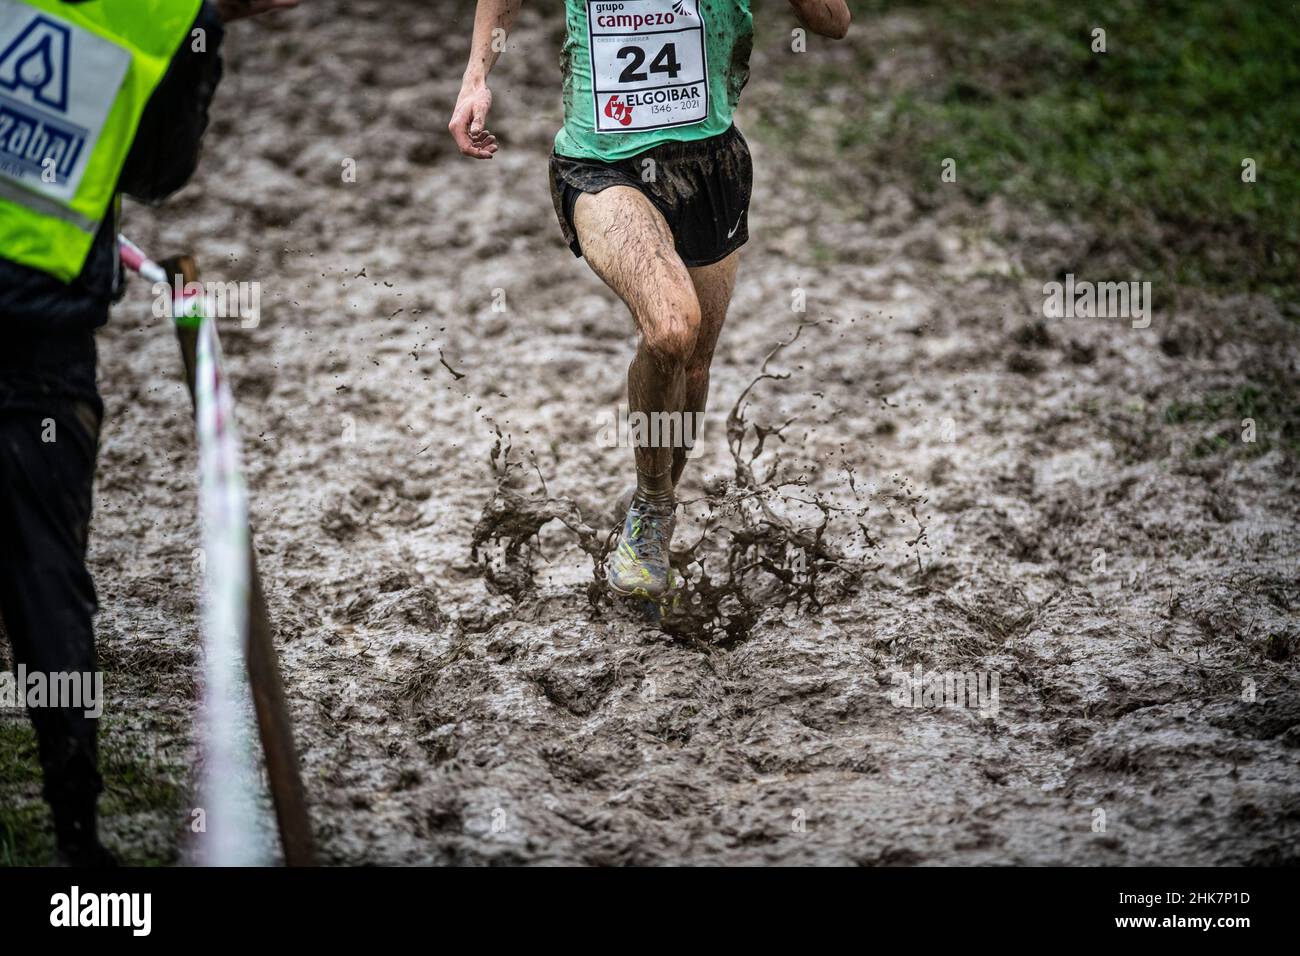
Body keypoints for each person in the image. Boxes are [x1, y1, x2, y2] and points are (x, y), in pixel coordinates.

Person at [0, 0, 297, 867]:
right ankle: (78, 842)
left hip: (41, 337)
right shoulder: (158, 16)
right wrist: (210, 29)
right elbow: (160, 170)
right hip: (40, 343)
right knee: (47, 581)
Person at [450, 0, 850, 599]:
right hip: (602, 164)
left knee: (692, 361)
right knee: (670, 327)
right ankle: (655, 507)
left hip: (710, 162)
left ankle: (652, 520)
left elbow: (832, 22)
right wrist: (476, 78)